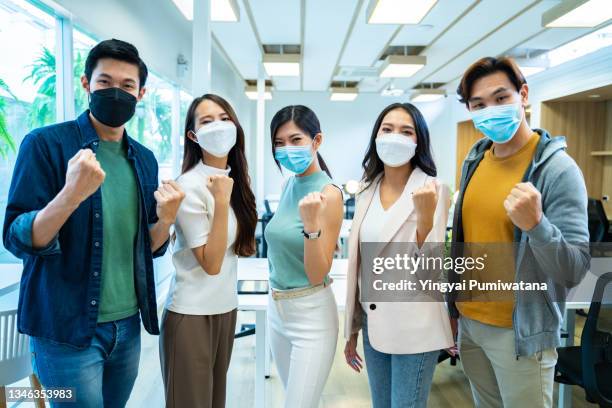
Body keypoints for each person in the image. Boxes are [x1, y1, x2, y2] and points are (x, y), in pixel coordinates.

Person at [2, 39, 185, 407]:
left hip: (127, 328)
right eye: (105, 82)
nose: (115, 93)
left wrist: (165, 221)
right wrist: (70, 194)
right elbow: (16, 236)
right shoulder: (45, 145)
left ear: (141, 93)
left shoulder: (144, 160)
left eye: (127, 86)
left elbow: (146, 247)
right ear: (86, 84)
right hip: (65, 333)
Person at [449, 56, 589, 408]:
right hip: (471, 326)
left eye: (500, 98)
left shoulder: (558, 169)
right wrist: (452, 309)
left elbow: (574, 268)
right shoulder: (476, 159)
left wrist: (537, 226)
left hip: (520, 334)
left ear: (523, 95)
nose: (490, 110)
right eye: (478, 104)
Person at [343, 103, 454, 408]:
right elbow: (359, 265)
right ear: (375, 136)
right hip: (372, 321)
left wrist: (426, 220)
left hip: (415, 325)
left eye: (407, 131)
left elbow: (430, 273)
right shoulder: (367, 189)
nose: (395, 137)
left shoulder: (433, 189)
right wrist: (352, 327)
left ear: (419, 142)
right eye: (387, 129)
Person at [159, 93, 257, 408]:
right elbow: (211, 264)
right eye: (206, 121)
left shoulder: (235, 180)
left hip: (225, 308)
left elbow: (240, 249)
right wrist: (219, 200)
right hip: (190, 315)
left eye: (224, 118)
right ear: (193, 135)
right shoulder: (189, 185)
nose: (218, 126)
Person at [263, 105, 343, 408]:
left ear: (316, 141)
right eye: (279, 143)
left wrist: (311, 226)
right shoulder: (288, 184)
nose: (286, 149)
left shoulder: (329, 193)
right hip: (277, 308)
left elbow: (316, 272)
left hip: (311, 313)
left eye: (296, 140)